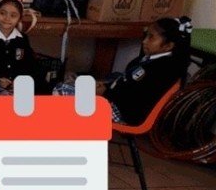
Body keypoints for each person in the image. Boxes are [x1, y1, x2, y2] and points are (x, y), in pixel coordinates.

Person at [54, 16, 191, 125]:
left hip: (123, 112)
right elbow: (127, 82)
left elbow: (134, 96)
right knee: (70, 85)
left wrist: (105, 92)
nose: (144, 42)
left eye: (151, 38)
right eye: (146, 36)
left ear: (168, 46)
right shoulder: (151, 60)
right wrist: (106, 85)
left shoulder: (162, 69)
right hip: (115, 99)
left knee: (60, 91)